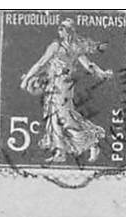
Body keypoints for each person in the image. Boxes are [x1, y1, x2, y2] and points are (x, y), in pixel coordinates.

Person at [19, 18, 114, 163]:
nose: (60, 31)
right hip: (54, 85)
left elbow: (88, 65)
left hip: (63, 87)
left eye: (62, 29)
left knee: (65, 117)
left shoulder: (68, 47)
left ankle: (92, 142)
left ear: (68, 31)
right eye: (60, 29)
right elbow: (42, 64)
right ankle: (60, 151)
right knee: (53, 116)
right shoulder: (61, 46)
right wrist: (28, 78)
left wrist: (102, 73)